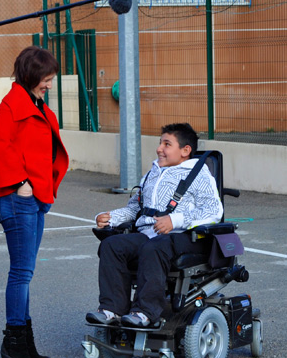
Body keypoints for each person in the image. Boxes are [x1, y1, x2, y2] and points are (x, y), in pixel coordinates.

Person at [86, 123, 224, 328]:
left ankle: (145, 312)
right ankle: (112, 309)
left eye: (167, 144)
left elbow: (214, 210)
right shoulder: (152, 174)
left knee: (154, 247)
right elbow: (135, 208)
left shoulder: (199, 174)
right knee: (111, 245)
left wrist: (174, 220)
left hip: (186, 237)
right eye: (160, 143)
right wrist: (111, 217)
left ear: (185, 150)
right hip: (150, 234)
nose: (159, 148)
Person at [0, 46, 69, 358]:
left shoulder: (36, 105)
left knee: (26, 273)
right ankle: (14, 345)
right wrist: (21, 181)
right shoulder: (12, 104)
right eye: (46, 79)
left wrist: (40, 189)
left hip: (34, 198)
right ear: (32, 75)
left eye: (51, 79)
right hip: (17, 196)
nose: (49, 84)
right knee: (21, 273)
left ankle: (24, 345)